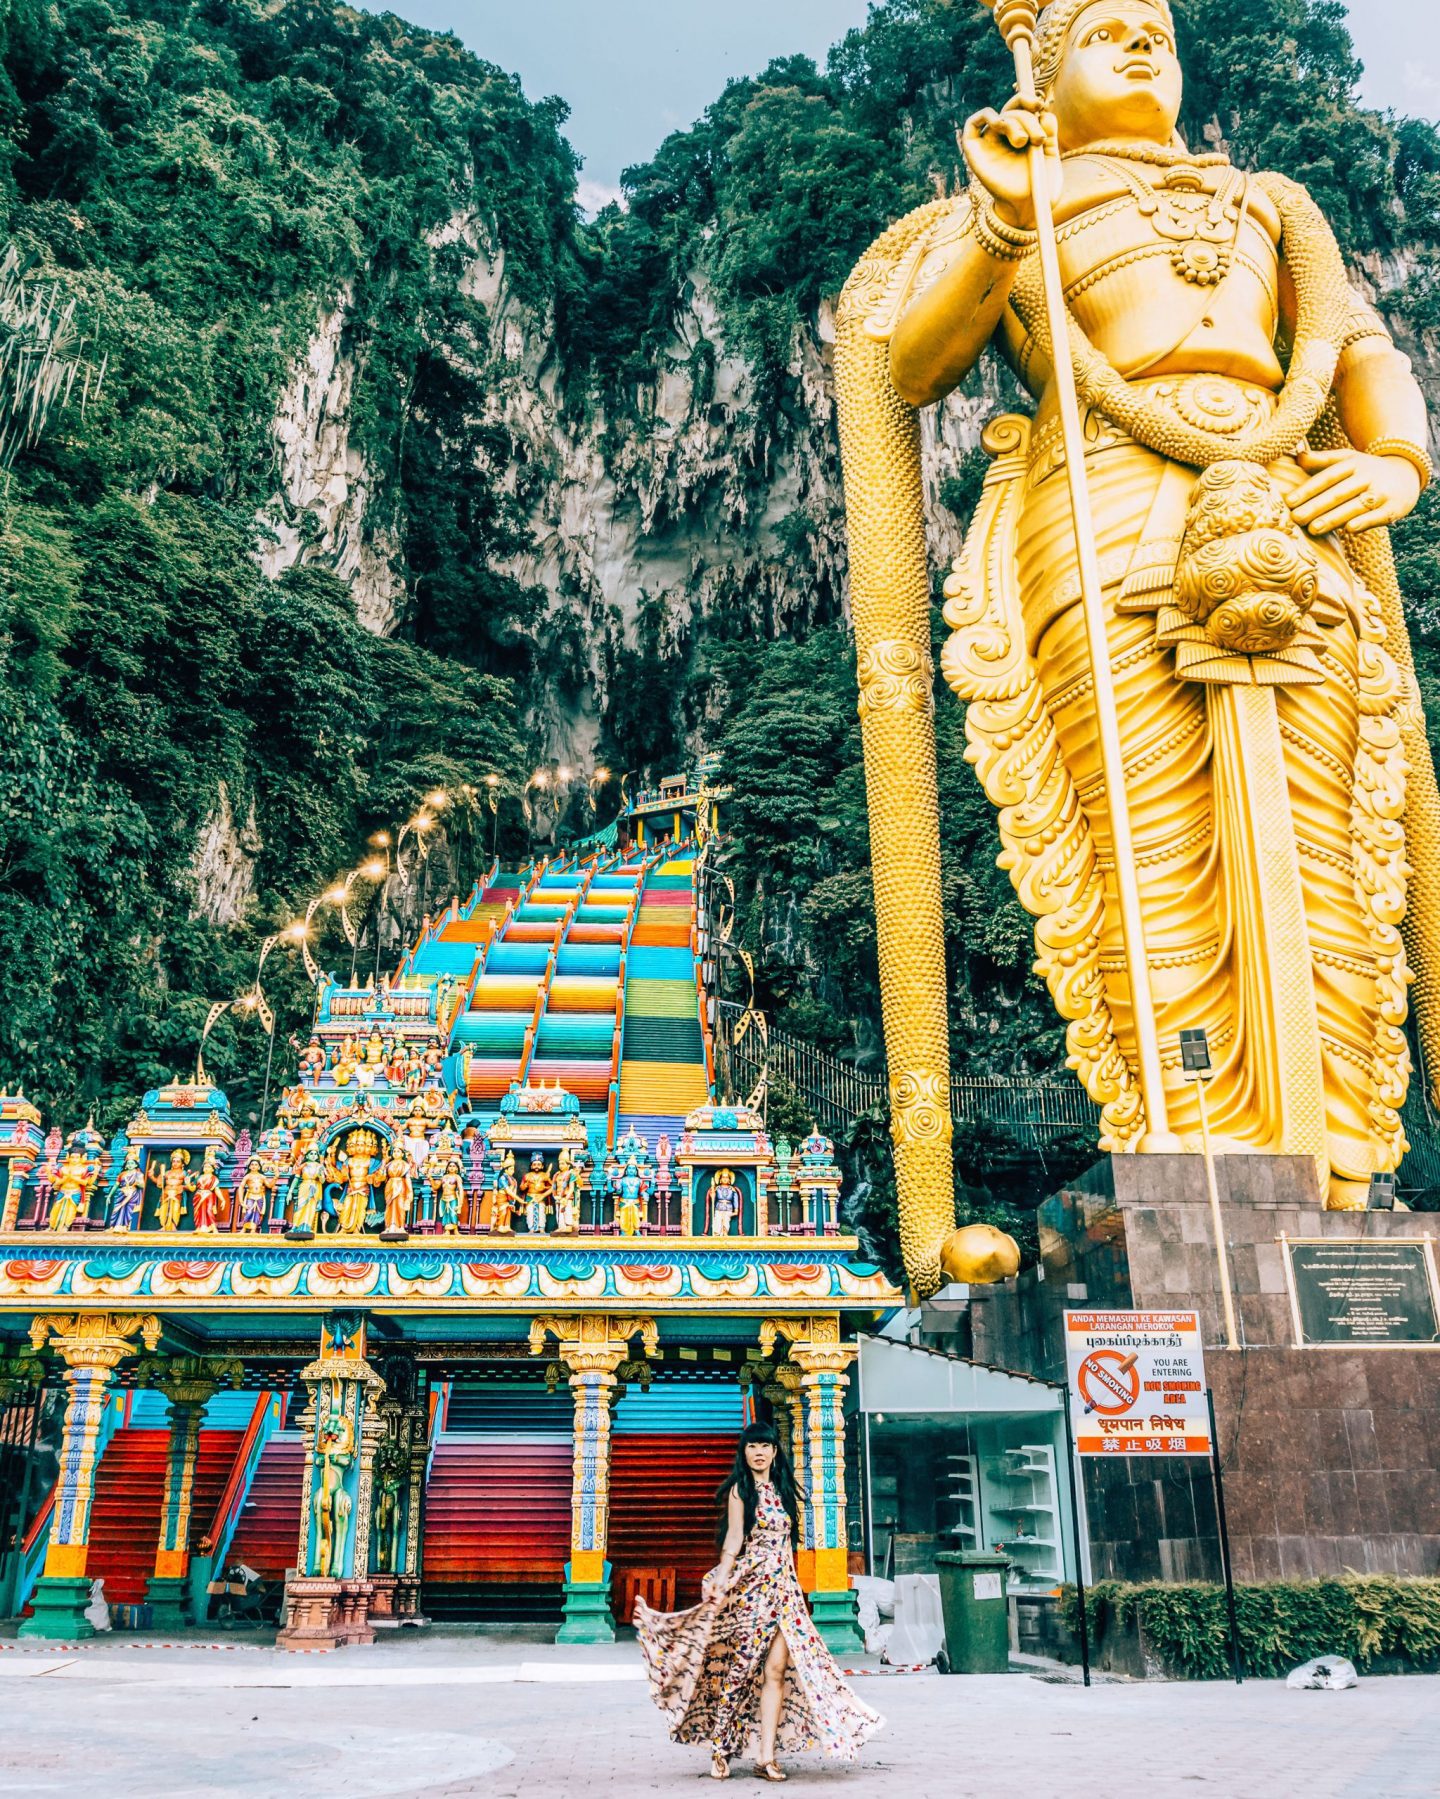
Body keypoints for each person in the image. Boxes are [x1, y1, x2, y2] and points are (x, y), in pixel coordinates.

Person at [635, 1421, 882, 1781]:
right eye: (752, 1447)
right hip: (753, 1594)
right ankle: (721, 1747)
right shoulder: (741, 1491)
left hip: (785, 1596)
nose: (759, 1452)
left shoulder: (783, 1490)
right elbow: (734, 1539)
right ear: (745, 1452)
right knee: (740, 1672)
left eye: (765, 1446)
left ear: (774, 1451)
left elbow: (788, 1546)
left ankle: (766, 1757)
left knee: (776, 1673)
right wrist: (721, 1576)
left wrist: (797, 1590)